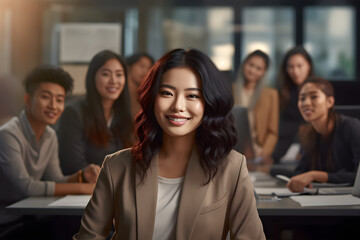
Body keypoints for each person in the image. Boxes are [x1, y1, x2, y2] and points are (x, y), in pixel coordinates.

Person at [73, 49, 265, 239]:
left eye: (192, 96)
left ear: (209, 102)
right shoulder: (117, 166)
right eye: (167, 93)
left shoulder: (232, 166)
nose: (178, 106)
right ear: (152, 98)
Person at [0, 65, 99, 228]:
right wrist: (84, 188)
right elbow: (27, 187)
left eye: (60, 99)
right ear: (28, 100)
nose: (53, 105)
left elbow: (56, 180)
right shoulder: (7, 134)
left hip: (29, 218)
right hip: (6, 221)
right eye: (46, 97)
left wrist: (81, 175)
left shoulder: (50, 135)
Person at [57, 50, 133, 175]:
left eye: (119, 75)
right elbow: (72, 165)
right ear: (93, 77)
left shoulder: (121, 114)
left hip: (113, 188)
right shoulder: (74, 113)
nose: (113, 81)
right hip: (81, 189)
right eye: (106, 74)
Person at [287, 77, 360, 192]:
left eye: (314, 97)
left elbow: (358, 176)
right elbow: (301, 171)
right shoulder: (307, 132)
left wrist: (315, 175)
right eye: (302, 98)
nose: (306, 103)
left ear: (330, 102)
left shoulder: (350, 126)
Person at [233, 50, 279, 163]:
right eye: (251, 65)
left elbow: (273, 132)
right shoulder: (231, 89)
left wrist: (264, 153)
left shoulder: (271, 94)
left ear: (264, 72)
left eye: (258, 68)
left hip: (258, 153)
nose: (253, 70)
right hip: (233, 150)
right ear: (245, 64)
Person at [272, 46, 314, 163]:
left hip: (308, 150)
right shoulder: (282, 92)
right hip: (281, 150)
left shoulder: (318, 92)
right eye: (290, 67)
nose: (295, 71)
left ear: (309, 66)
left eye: (300, 66)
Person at [126, 53, 154, 118]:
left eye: (149, 68)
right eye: (142, 66)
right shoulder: (117, 92)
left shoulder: (146, 95)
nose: (145, 71)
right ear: (129, 67)